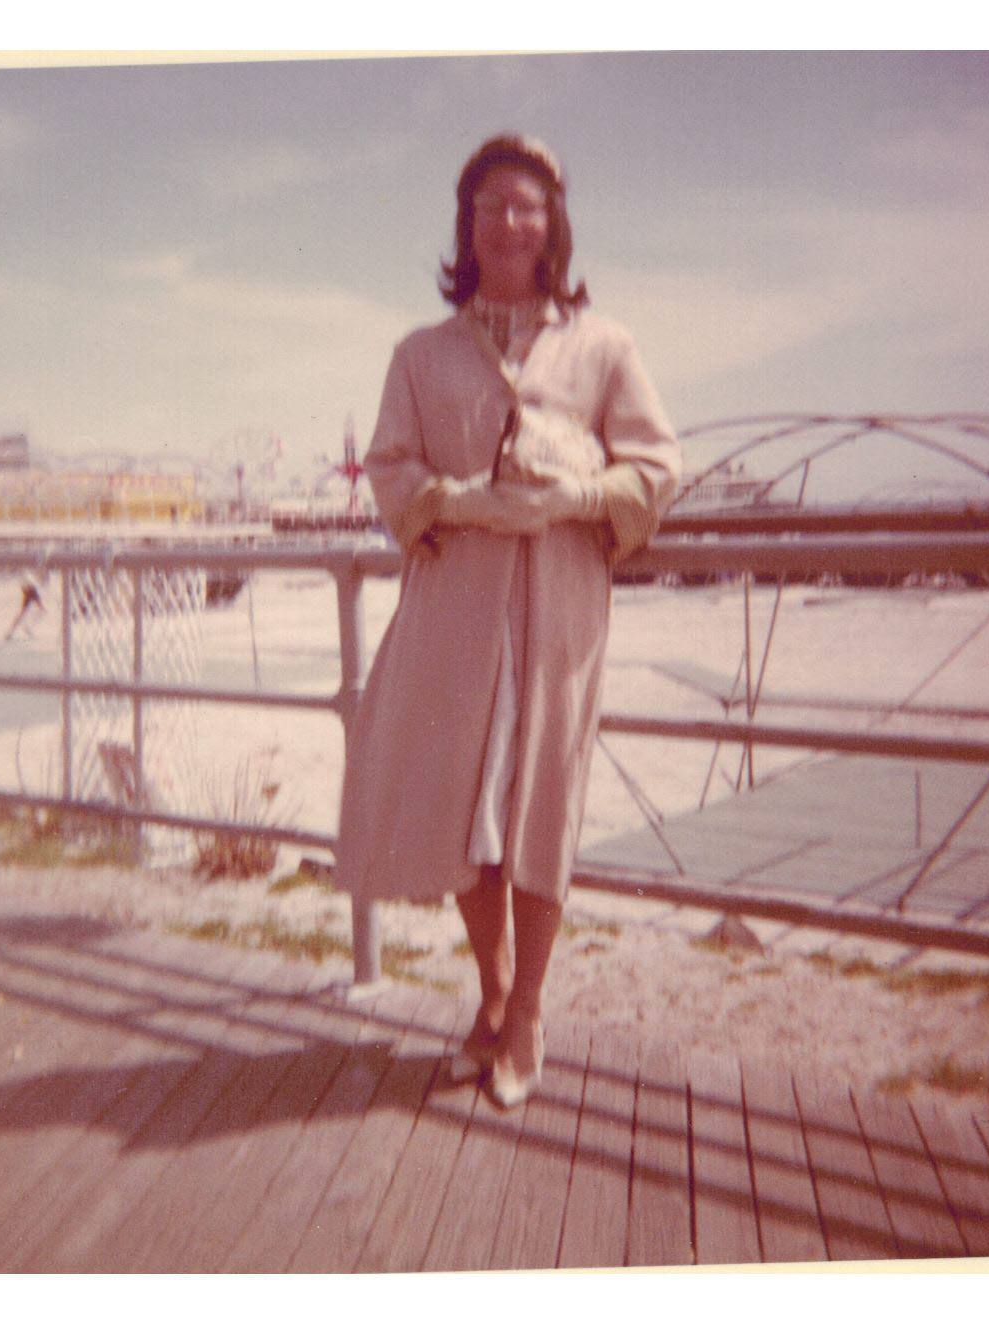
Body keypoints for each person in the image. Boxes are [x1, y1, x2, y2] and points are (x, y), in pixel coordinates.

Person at [336, 134, 680, 1108]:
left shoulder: (604, 346)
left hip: (556, 615)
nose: (508, 222)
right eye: (490, 204)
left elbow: (656, 468)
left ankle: (527, 1011)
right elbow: (389, 469)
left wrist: (576, 497)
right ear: (467, 223)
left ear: (553, 223)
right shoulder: (420, 354)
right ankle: (490, 994)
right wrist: (457, 502)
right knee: (462, 809)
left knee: (538, 808)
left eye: (527, 205)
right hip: (453, 611)